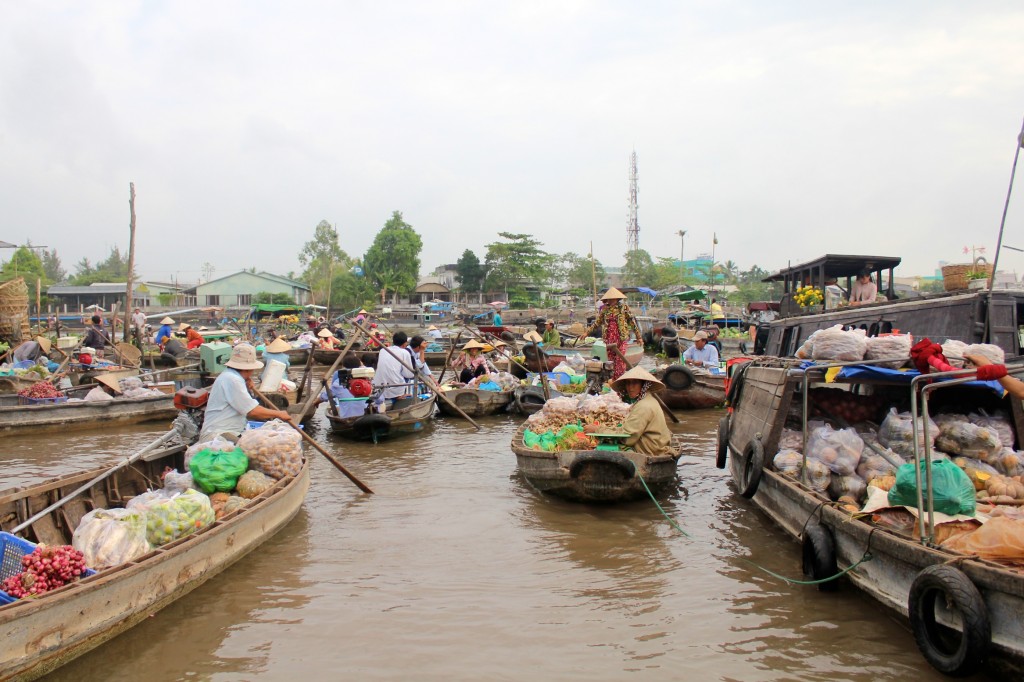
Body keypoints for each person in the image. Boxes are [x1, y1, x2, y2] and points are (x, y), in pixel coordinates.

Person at [199, 343, 293, 441]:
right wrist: (279, 414)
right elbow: (253, 411)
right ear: (249, 369)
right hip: (219, 435)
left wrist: (245, 382)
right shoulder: (233, 380)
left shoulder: (231, 376)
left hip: (230, 431)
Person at [589, 366, 673, 456]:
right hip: (654, 446)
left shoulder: (644, 406)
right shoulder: (647, 400)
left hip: (649, 451)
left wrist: (598, 430)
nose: (630, 387)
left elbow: (628, 438)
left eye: (635, 383)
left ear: (643, 385)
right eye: (628, 383)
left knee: (604, 449)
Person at [583, 287, 643, 380]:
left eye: (612, 299)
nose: (610, 301)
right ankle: (612, 380)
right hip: (609, 339)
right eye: (609, 299)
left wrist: (639, 337)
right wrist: (586, 333)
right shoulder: (605, 310)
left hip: (621, 338)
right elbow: (597, 323)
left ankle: (619, 380)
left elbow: (632, 322)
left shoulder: (623, 308)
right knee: (610, 362)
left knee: (620, 361)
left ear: (616, 299)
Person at [318, 353, 368, 418]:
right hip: (365, 415)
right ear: (359, 366)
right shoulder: (367, 380)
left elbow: (326, 395)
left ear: (344, 366)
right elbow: (379, 399)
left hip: (346, 416)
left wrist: (316, 402)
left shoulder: (339, 382)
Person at [373, 331, 417, 403]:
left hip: (378, 387)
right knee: (407, 377)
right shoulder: (404, 352)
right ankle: (400, 396)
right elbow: (409, 374)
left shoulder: (383, 350)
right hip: (394, 389)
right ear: (404, 343)